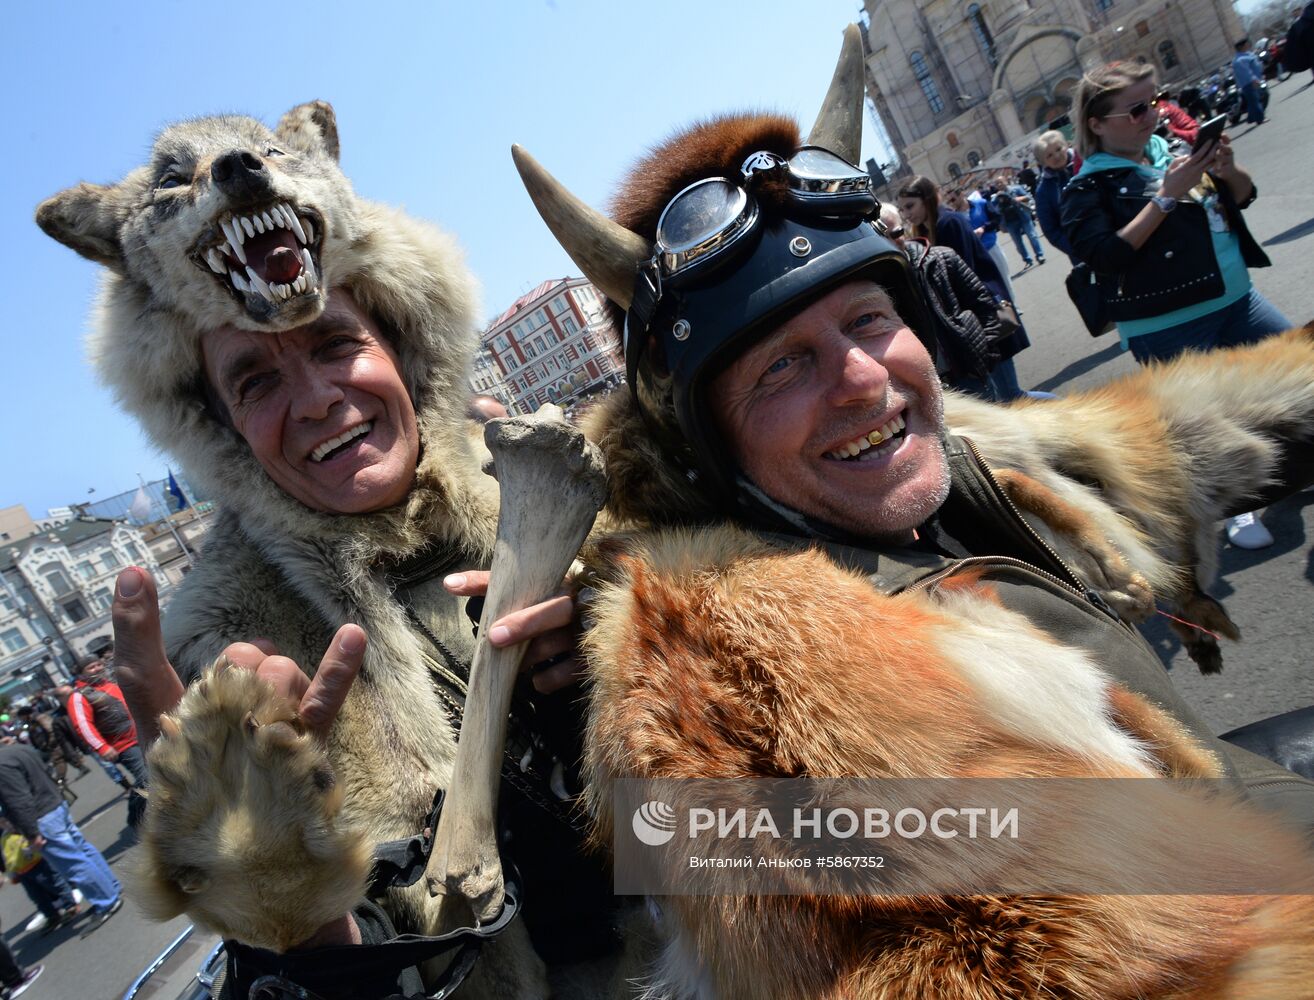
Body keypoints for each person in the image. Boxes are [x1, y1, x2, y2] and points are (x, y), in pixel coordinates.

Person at [1060, 60, 1291, 549]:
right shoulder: (1087, 186)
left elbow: (1243, 199)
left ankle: (1291, 469)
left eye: (1155, 100)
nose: (1152, 114)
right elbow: (1103, 254)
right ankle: (1238, 510)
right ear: (1097, 124)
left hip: (1238, 300)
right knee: (1209, 425)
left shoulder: (1171, 152)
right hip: (1169, 326)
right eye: (1137, 108)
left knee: (1297, 377)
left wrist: (1229, 172)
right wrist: (1165, 197)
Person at [897, 175, 1029, 400]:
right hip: (975, 322)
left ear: (926, 198)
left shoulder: (949, 223)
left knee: (1011, 396)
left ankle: (1068, 415)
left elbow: (963, 275)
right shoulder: (929, 230)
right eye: (902, 209)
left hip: (984, 314)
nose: (907, 214)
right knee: (1005, 398)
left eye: (910, 206)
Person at [877, 203, 1003, 400]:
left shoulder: (942, 258)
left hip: (969, 374)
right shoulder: (875, 287)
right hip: (927, 391)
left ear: (906, 228)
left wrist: (983, 352)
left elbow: (983, 303)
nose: (891, 243)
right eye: (880, 238)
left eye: (896, 233)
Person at [0, 740, 121, 929]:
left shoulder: (2, 765)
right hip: (55, 805)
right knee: (82, 851)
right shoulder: (18, 750)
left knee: (73, 863)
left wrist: (31, 833)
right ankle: (110, 888)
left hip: (42, 817)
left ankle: (106, 900)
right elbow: (46, 767)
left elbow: (18, 800)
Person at [58, 664, 147, 826]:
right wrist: (102, 747)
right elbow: (83, 725)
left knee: (161, 771)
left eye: (98, 665)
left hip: (141, 735)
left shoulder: (110, 683)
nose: (97, 668)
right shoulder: (79, 696)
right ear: (80, 673)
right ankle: (135, 815)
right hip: (123, 745)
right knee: (147, 777)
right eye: (91, 667)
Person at [0, 815, 82, 934]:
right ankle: (51, 915)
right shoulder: (4, 838)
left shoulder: (23, 830)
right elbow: (6, 857)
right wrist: (12, 872)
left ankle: (71, 905)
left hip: (38, 864)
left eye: (7, 821)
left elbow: (36, 843)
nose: (6, 825)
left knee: (55, 883)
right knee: (36, 897)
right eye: (2, 823)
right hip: (23, 872)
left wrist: (31, 849)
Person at [1032, 130, 1077, 262]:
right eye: (1049, 155)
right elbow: (1051, 231)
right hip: (1085, 255)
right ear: (1043, 162)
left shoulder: (1089, 162)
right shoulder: (1043, 192)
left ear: (1066, 145)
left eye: (1058, 149)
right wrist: (1077, 249)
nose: (1056, 156)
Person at [991, 182, 1046, 268]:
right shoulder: (996, 198)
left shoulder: (1015, 189)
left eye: (1001, 182)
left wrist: (1019, 199)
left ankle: (1039, 255)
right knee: (1018, 243)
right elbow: (993, 210)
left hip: (1023, 217)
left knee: (1032, 236)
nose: (1000, 185)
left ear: (1005, 181)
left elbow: (1028, 197)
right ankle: (1027, 260)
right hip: (1009, 222)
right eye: (997, 184)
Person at [1232, 39, 1268, 125]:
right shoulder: (1239, 60)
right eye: (1246, 44)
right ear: (1241, 47)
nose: (1248, 45)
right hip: (1248, 83)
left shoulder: (1249, 54)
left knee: (1257, 99)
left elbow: (1256, 65)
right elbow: (1246, 72)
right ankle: (1260, 119)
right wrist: (1253, 80)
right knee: (1255, 101)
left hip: (1257, 80)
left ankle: (1251, 118)